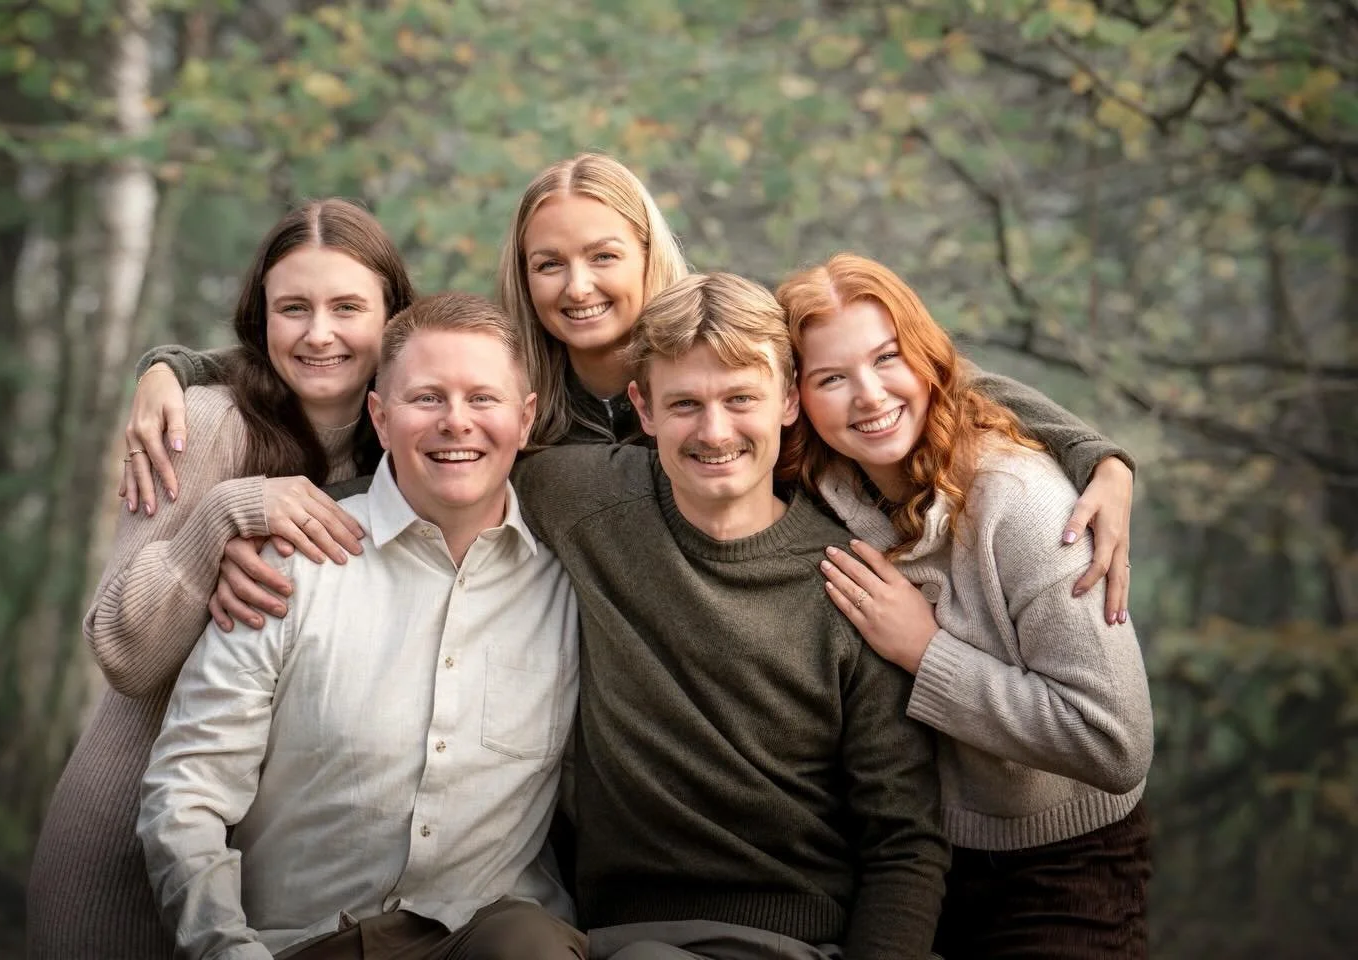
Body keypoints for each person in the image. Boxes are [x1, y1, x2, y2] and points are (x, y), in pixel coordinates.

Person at [116, 154, 1137, 632]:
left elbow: (910, 381)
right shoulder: (518, 399)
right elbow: (367, 364)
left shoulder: (718, 357)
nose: (579, 286)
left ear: (648, 251)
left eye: (604, 255)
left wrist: (1098, 456)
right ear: (523, 273)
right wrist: (180, 365)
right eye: (548, 263)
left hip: (791, 639)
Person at [513, 272, 950, 959]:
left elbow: (905, 843)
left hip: (796, 944)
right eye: (684, 404)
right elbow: (439, 463)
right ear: (644, 407)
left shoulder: (852, 586)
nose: (714, 432)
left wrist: (1100, 458)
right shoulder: (583, 499)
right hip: (620, 937)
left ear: (787, 398)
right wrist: (280, 501)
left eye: (740, 399)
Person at [26, 199, 417, 959]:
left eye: (347, 307)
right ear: (259, 317)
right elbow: (124, 651)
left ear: (394, 316)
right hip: (126, 845)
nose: (319, 333)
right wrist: (226, 515)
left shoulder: (407, 454)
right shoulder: (204, 423)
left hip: (283, 873)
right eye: (292, 308)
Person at [139, 292, 584, 960]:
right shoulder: (290, 570)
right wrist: (227, 950)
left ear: (524, 419)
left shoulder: (569, 586)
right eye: (427, 398)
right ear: (380, 417)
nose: (456, 423)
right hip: (304, 943)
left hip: (490, 942)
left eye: (482, 399)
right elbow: (186, 796)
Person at [777, 253, 1154, 958]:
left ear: (925, 358)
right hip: (909, 860)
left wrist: (925, 653)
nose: (868, 395)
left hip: (1062, 861)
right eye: (831, 378)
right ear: (794, 397)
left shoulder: (1024, 503)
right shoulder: (819, 487)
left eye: (888, 358)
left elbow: (1116, 744)